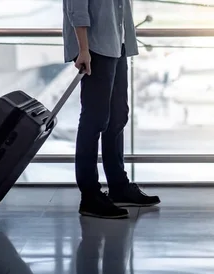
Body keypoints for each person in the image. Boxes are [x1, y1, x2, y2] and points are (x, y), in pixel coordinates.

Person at [63, 0, 160, 219]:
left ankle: (118, 186)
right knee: (94, 119)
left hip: (118, 43)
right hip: (95, 47)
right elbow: (76, 8)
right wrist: (83, 49)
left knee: (118, 116)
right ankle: (89, 195)